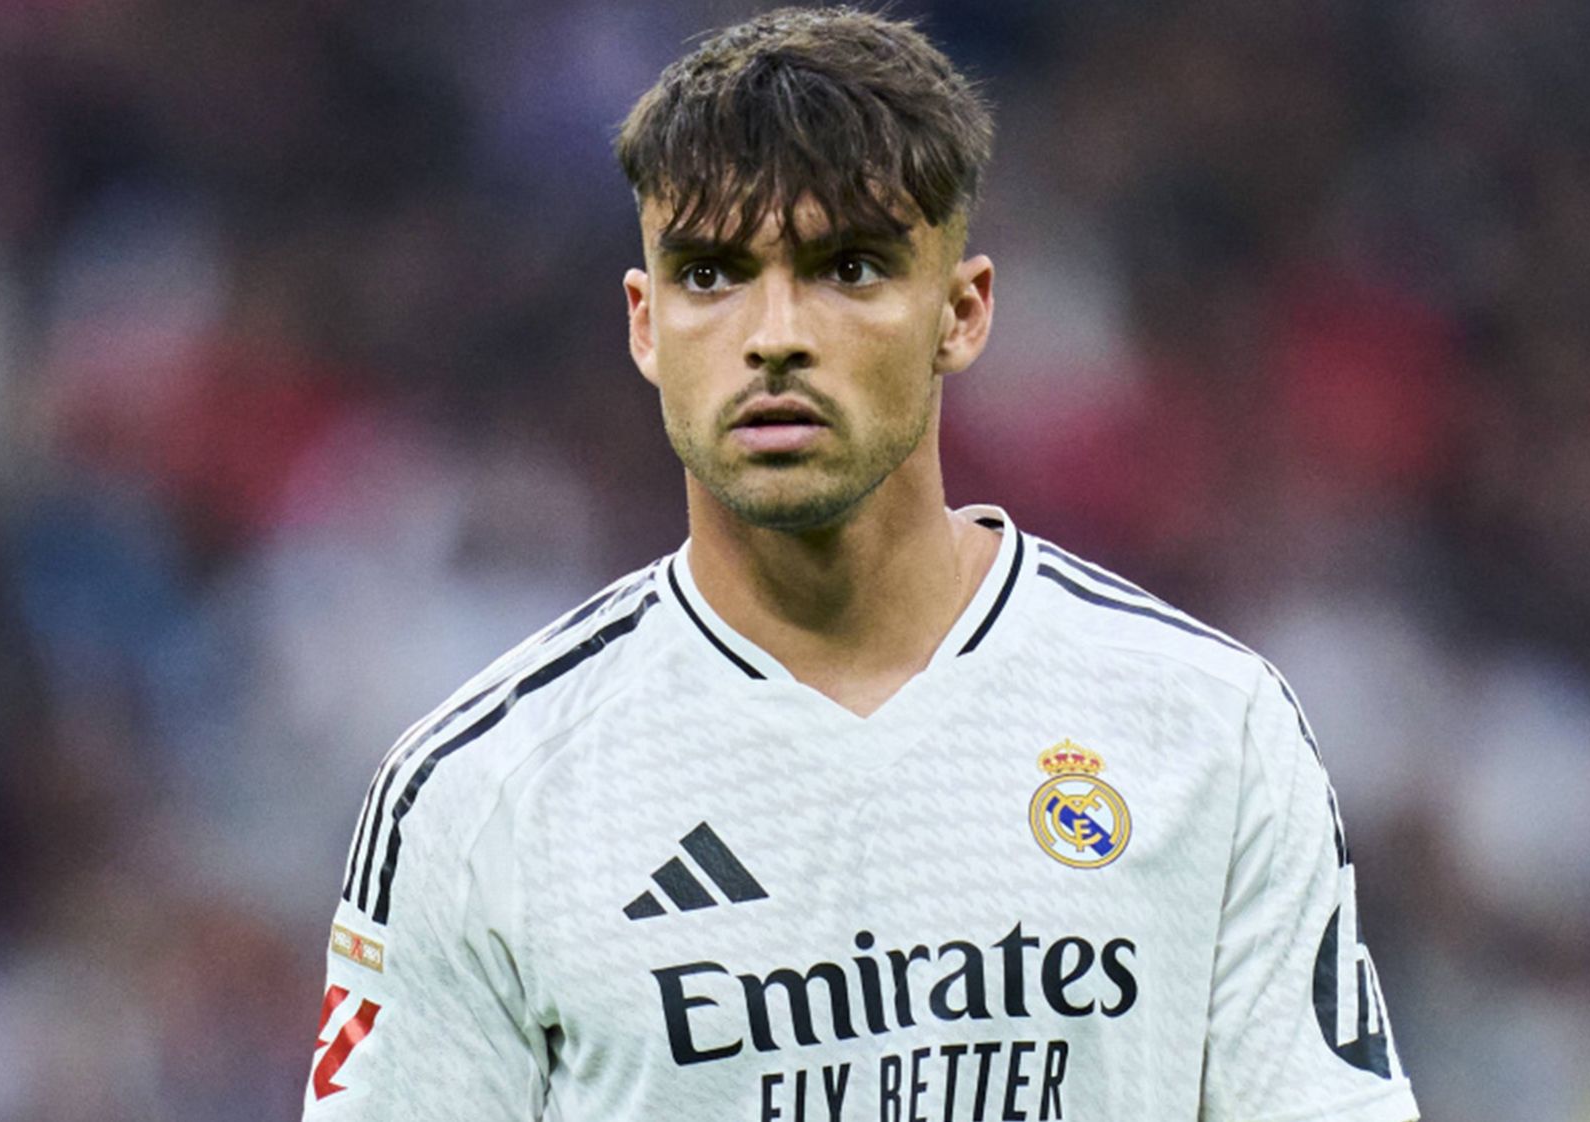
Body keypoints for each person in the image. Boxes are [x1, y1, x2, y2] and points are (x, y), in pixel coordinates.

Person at [305, 7, 1419, 1120]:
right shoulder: (480, 795)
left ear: (961, 313)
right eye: (710, 274)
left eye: (847, 267)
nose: (774, 335)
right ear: (645, 325)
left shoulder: (1205, 728)